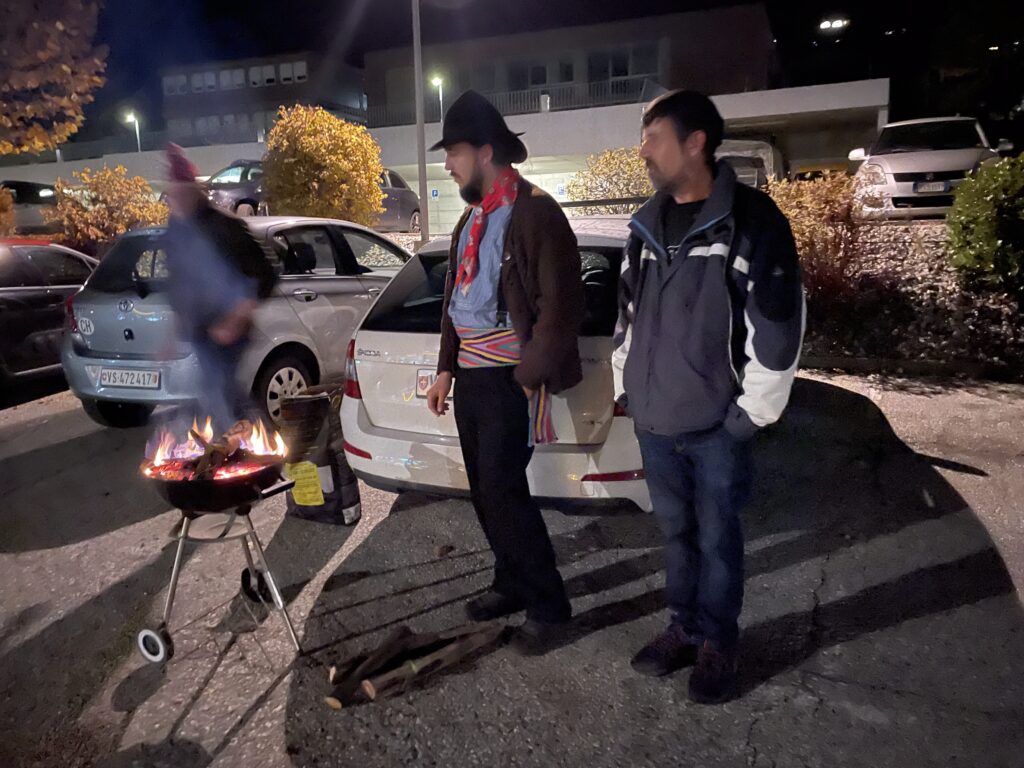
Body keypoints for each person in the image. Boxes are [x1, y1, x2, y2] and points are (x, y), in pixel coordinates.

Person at [613, 91, 805, 703]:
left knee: (717, 539)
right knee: (676, 535)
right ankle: (685, 628)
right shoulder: (645, 225)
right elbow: (628, 316)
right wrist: (626, 387)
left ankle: (719, 642)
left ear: (695, 142)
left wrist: (749, 416)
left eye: (653, 137)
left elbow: (777, 324)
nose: (643, 151)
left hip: (717, 426)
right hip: (655, 420)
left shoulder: (750, 221)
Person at [425, 91, 584, 655]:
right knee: (485, 491)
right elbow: (455, 299)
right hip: (472, 380)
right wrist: (445, 368)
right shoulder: (471, 219)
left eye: (455, 152)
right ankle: (510, 581)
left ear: (485, 151)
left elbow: (561, 306)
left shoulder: (536, 212)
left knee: (504, 492)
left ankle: (549, 606)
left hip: (506, 380)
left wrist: (527, 375)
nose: (448, 164)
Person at [163, 144, 276, 431]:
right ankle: (239, 441)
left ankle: (257, 440)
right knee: (212, 394)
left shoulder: (225, 226)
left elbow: (266, 275)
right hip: (200, 332)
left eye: (181, 194)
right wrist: (172, 330)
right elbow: (178, 280)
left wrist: (236, 318)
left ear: (195, 191)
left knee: (222, 391)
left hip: (231, 331)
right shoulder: (176, 229)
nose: (176, 201)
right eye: (172, 195)